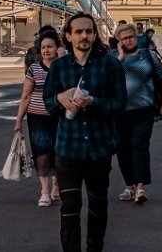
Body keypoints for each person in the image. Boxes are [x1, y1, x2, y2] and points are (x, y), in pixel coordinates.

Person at [44, 13, 126, 252]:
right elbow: (48, 104)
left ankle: (94, 248)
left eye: (89, 31)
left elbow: (119, 104)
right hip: (68, 149)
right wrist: (60, 99)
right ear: (68, 36)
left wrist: (94, 101)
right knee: (69, 208)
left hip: (99, 148)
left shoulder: (110, 64)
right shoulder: (59, 67)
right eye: (78, 32)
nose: (84, 36)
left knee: (98, 206)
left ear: (94, 34)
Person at [114, 23, 162, 205]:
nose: (128, 40)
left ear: (136, 37)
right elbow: (107, 79)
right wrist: (120, 58)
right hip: (120, 111)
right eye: (124, 38)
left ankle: (140, 187)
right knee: (123, 149)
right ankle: (128, 186)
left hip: (144, 109)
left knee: (139, 145)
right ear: (119, 42)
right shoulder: (114, 58)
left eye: (131, 37)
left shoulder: (149, 55)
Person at [15, 28, 63, 207]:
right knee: (41, 153)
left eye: (50, 47)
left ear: (57, 48)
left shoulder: (64, 68)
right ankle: (44, 191)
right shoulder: (34, 69)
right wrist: (19, 119)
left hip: (59, 117)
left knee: (58, 152)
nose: (46, 50)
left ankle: (56, 185)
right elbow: (25, 96)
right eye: (43, 47)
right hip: (37, 118)